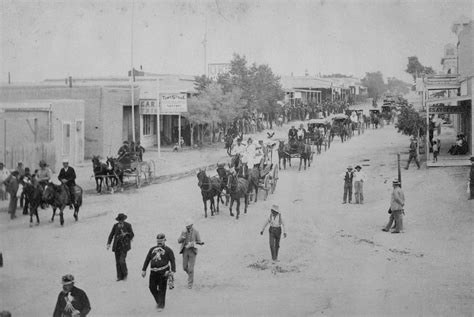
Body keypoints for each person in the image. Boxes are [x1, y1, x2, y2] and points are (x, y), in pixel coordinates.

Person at [142, 233, 176, 311]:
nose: (159, 242)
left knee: (162, 289)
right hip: (153, 272)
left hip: (163, 272)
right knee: (152, 287)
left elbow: (172, 261)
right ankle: (159, 301)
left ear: (165, 240)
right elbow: (147, 259)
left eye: (161, 240)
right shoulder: (152, 249)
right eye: (158, 241)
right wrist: (144, 270)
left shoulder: (168, 250)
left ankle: (161, 305)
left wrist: (173, 271)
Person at [107, 213, 134, 281]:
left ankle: (125, 273)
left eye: (121, 220)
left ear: (124, 220)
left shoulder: (128, 225)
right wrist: (108, 243)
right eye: (119, 220)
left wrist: (126, 234)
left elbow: (132, 235)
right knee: (117, 262)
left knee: (122, 260)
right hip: (116, 246)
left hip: (124, 246)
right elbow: (111, 235)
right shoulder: (115, 226)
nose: (120, 221)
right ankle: (119, 276)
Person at [178, 218, 204, 289]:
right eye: (187, 227)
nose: (188, 228)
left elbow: (199, 243)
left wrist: (193, 244)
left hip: (192, 251)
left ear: (192, 225)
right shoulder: (184, 231)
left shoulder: (196, 232)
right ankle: (190, 275)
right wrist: (182, 238)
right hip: (185, 251)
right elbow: (179, 241)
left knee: (191, 268)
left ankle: (190, 283)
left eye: (189, 226)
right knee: (184, 267)